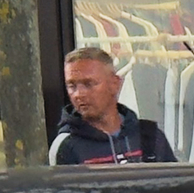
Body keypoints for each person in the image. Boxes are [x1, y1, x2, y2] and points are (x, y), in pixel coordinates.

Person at [49, 48, 177, 166]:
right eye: (72, 86)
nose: (78, 94)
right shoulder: (66, 146)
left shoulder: (150, 136)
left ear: (114, 83)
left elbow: (176, 186)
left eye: (89, 84)